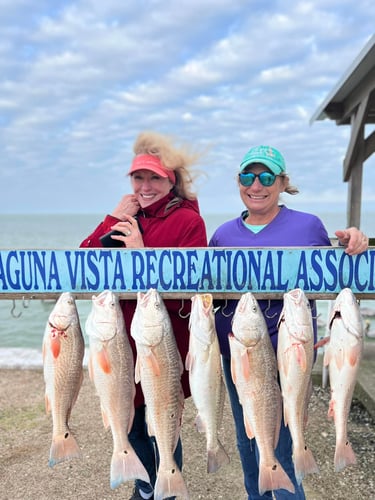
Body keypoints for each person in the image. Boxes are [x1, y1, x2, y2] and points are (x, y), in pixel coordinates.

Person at [209, 145, 369, 500]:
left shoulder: (308, 225)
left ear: (282, 183)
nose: (257, 185)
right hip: (239, 357)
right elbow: (209, 294)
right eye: (248, 177)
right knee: (249, 437)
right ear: (238, 182)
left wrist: (357, 239)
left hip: (289, 354)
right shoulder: (222, 236)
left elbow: (339, 268)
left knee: (282, 440)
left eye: (267, 177)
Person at [80, 131, 208, 500]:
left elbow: (187, 291)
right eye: (139, 177)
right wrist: (113, 218)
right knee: (130, 420)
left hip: (162, 342)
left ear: (172, 180)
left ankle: (168, 486)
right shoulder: (126, 217)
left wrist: (140, 253)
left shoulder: (188, 222)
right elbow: (83, 264)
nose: (146, 186)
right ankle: (145, 486)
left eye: (155, 177)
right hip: (122, 343)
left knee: (162, 421)